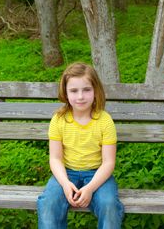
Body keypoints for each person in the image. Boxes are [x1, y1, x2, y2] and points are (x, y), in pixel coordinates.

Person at [37, 62, 124, 229]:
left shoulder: (104, 121)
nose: (80, 96)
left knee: (109, 204)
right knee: (48, 204)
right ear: (65, 92)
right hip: (66, 173)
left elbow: (108, 162)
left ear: (96, 91)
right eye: (74, 91)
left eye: (86, 90)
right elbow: (55, 159)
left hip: (97, 174)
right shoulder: (59, 119)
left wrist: (90, 188)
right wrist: (64, 183)